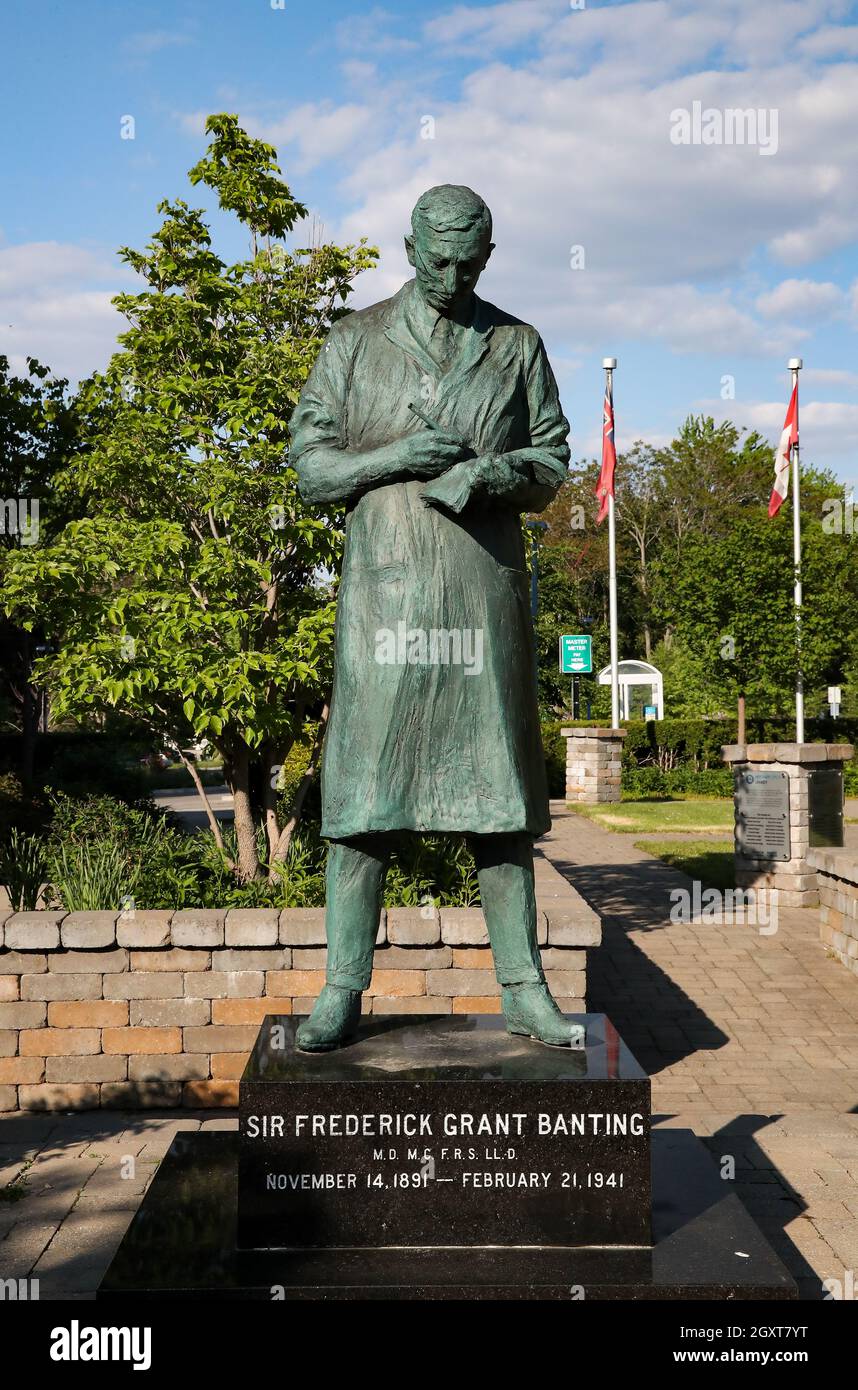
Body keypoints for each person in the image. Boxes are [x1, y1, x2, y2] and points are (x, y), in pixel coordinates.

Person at [291, 184, 583, 1051]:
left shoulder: (516, 344)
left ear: (488, 255)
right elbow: (310, 470)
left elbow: (554, 459)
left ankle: (524, 990)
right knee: (363, 799)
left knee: (498, 803)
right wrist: (396, 459)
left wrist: (490, 475)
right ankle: (343, 986)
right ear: (411, 248)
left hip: (480, 594)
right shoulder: (354, 341)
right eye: (439, 259)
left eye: (471, 260)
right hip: (383, 597)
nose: (453, 275)